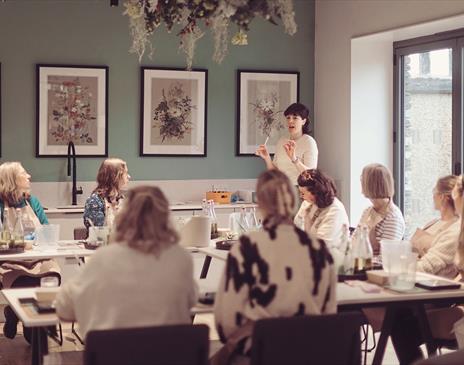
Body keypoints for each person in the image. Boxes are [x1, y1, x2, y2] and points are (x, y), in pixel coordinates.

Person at [214, 170, 336, 365]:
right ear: (294, 202)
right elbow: (329, 313)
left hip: (260, 351)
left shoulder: (247, 247)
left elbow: (225, 322)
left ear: (260, 204)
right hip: (310, 350)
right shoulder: (319, 249)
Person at [56, 185, 197, 339]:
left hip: (114, 353)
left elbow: (64, 308)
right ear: (165, 217)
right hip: (170, 354)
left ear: (124, 217)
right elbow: (191, 299)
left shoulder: (105, 257)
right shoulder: (181, 258)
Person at [390, 175, 464, 365]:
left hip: (434, 292)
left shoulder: (456, 231)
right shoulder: (435, 223)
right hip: (424, 286)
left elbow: (430, 265)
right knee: (396, 316)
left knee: (398, 323)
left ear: (445, 197)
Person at [0, 162, 60, 341]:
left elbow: (47, 232)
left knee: (51, 279)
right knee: (25, 285)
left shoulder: (32, 202)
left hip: (39, 260)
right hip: (11, 263)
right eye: (24, 173)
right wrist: (19, 243)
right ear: (11, 179)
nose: (29, 176)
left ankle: (18, 315)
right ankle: (29, 325)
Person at [294, 169, 349, 263]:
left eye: (303, 193)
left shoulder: (335, 210)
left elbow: (321, 246)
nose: (300, 196)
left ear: (315, 192)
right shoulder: (308, 203)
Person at [255, 103, 318, 185]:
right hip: (282, 190)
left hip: (301, 192)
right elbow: (275, 173)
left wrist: (294, 159)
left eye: (295, 118)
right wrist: (267, 158)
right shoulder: (282, 141)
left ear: (304, 121)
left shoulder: (309, 142)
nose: (290, 121)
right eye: (288, 118)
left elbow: (311, 176)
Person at [411, 175, 459, 278]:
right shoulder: (433, 223)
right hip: (413, 274)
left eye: (434, 191)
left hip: (428, 283)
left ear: (442, 197)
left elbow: (428, 267)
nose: (433, 196)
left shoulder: (454, 230)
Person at [355, 163, 405, 255]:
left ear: (371, 184)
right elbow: (354, 243)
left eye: (363, 178)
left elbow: (385, 257)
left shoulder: (393, 218)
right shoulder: (368, 211)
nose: (361, 181)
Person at [83, 158, 130, 230]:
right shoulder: (95, 201)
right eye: (126, 173)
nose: (129, 177)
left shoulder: (121, 199)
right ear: (115, 176)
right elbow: (98, 231)